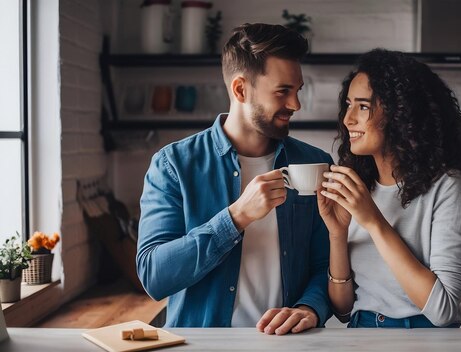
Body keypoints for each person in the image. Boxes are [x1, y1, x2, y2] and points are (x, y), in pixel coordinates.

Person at [137, 23, 333, 334]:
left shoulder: (315, 164)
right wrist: (236, 217)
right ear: (240, 89)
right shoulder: (173, 165)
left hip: (289, 344)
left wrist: (309, 308)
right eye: (283, 91)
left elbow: (326, 264)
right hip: (204, 345)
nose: (296, 105)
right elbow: (154, 276)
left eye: (298, 91)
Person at [318, 49, 461, 328]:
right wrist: (337, 234)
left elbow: (444, 311)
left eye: (363, 106)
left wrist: (373, 221)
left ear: (401, 115)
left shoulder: (448, 187)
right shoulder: (359, 185)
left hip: (424, 340)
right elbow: (343, 309)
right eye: (348, 104)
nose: (348, 119)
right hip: (361, 336)